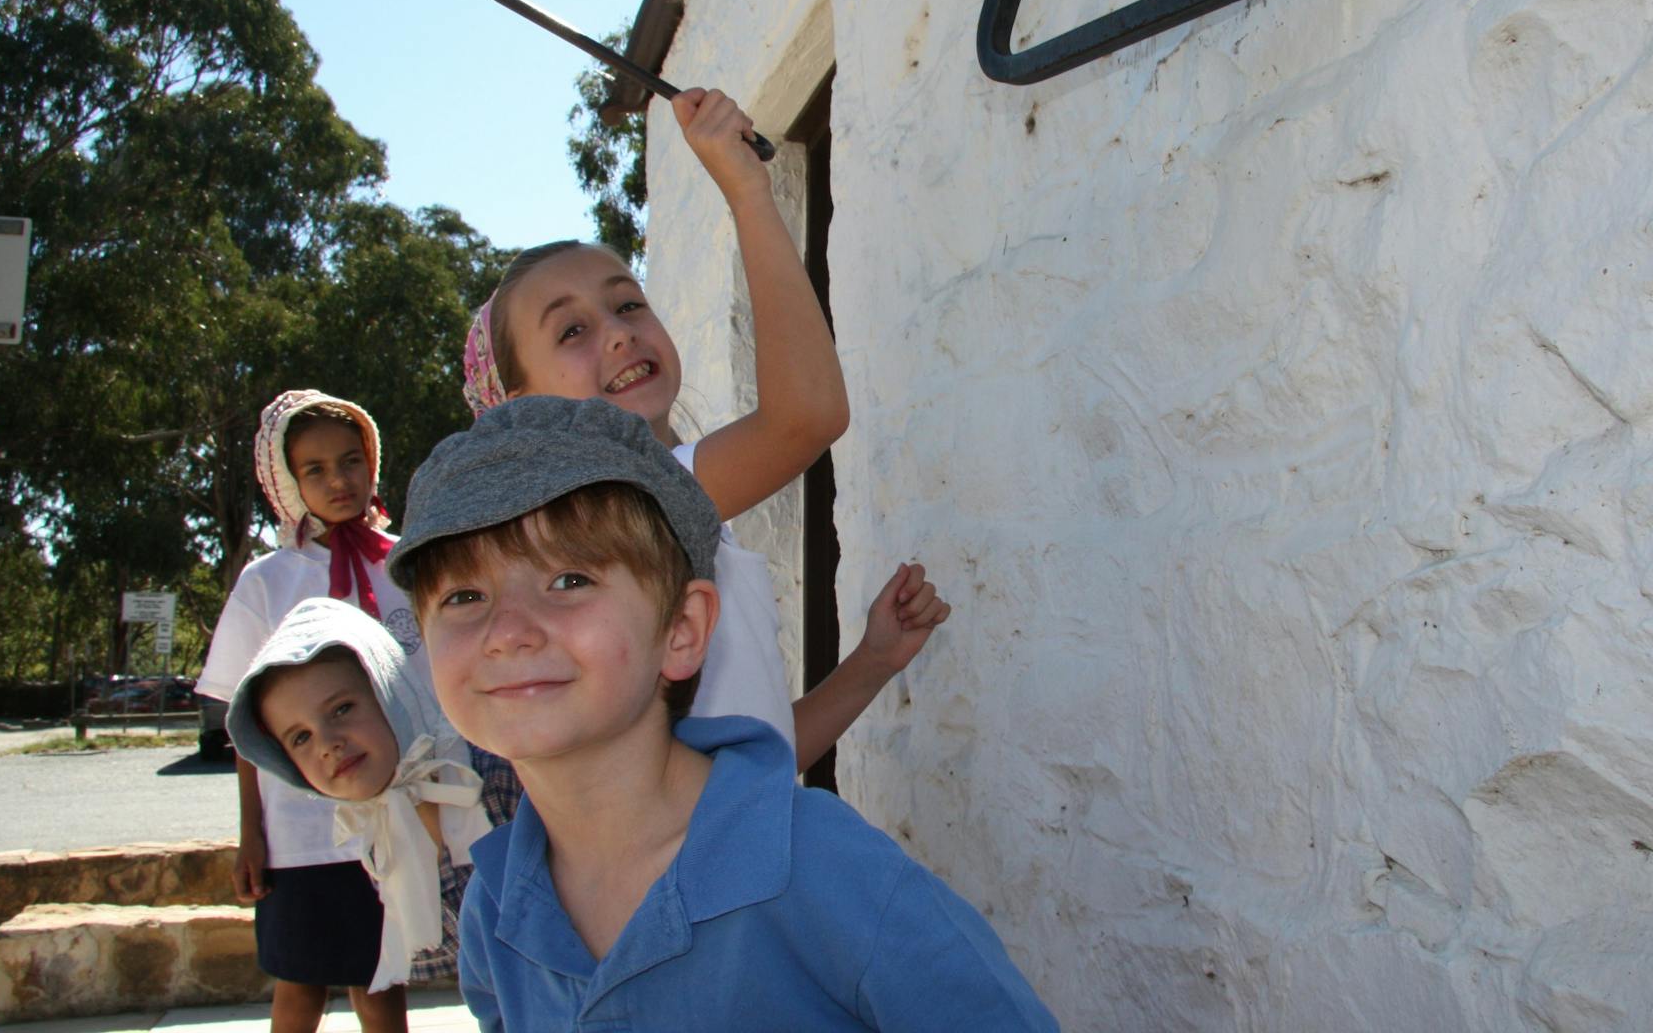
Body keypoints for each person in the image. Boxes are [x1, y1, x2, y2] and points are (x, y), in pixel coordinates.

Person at [388, 396, 1057, 1030]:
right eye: (464, 597)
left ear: (682, 629)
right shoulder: (496, 910)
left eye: (569, 580)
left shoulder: (825, 868)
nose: (508, 630)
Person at [460, 86, 943, 815]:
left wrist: (872, 662)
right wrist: (748, 190)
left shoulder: (680, 511)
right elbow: (807, 415)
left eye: (627, 303)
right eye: (570, 332)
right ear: (520, 407)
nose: (618, 332)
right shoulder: (628, 503)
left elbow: (759, 760)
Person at [195, 391, 447, 1033]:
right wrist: (252, 833)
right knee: (300, 984)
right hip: (300, 836)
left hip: (395, 822)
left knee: (382, 981)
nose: (338, 481)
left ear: (372, 462)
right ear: (287, 480)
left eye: (350, 460)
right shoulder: (267, 582)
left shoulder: (412, 564)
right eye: (314, 469)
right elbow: (244, 724)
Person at [225, 596, 492, 995]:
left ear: (389, 687)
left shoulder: (489, 780)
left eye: (341, 709)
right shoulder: (375, 828)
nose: (328, 744)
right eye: (301, 737)